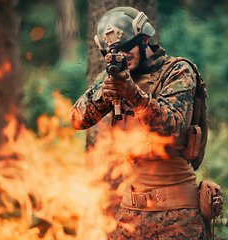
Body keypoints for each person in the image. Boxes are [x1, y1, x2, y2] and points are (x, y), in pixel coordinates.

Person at [70, 6, 206, 240]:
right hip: (130, 214)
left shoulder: (178, 71)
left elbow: (172, 125)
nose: (122, 55)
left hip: (177, 215)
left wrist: (133, 94)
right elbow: (78, 119)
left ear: (144, 39)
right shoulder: (113, 78)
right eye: (112, 51)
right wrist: (106, 92)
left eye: (126, 47)